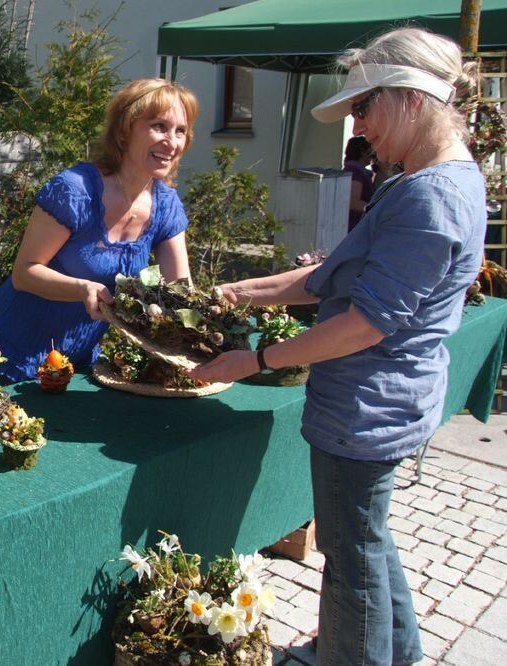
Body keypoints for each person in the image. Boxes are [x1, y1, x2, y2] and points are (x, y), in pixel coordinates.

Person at [189, 27, 483, 666]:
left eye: (363, 106)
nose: (358, 126)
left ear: (409, 98)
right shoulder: (430, 181)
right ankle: (394, 651)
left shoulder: (430, 196)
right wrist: (244, 291)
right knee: (367, 543)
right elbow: (332, 277)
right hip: (383, 404)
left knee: (351, 556)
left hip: (367, 413)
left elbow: (365, 323)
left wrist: (256, 360)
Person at [0, 79, 197, 382]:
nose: (172, 142)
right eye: (159, 126)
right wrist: (83, 289)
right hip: (7, 357)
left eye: (180, 131)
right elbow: (24, 273)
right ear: (125, 129)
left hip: (75, 365)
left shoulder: (166, 206)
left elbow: (179, 293)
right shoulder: (75, 191)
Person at [343, 135, 375, 231]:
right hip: (354, 227)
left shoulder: (354, 170)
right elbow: (353, 203)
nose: (373, 154)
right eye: (370, 150)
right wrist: (376, 209)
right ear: (362, 151)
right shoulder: (355, 171)